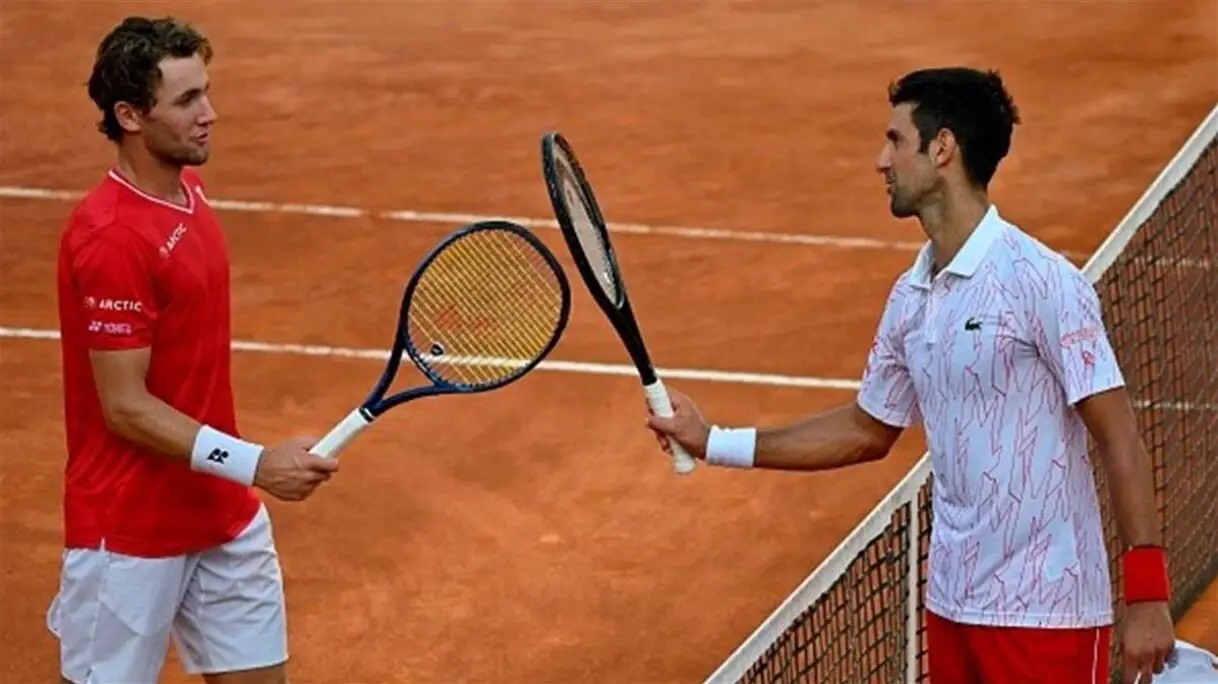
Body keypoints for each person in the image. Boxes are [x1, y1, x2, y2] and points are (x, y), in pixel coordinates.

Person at [647, 67, 1176, 684]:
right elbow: (867, 429)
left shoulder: (1043, 282)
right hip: (951, 608)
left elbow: (1120, 437)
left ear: (942, 147)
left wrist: (1147, 595)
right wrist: (713, 442)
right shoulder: (911, 298)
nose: (881, 160)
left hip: (1047, 613)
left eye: (896, 141)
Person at [49, 16, 338, 684]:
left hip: (222, 517)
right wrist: (256, 464)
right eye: (186, 101)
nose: (210, 114)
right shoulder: (112, 239)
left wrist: (240, 478)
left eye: (205, 92)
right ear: (129, 115)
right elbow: (125, 408)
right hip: (129, 534)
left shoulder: (188, 191)